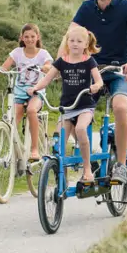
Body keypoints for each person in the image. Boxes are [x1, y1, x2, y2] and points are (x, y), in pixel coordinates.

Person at [62, 0, 127, 185]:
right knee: (71, 112)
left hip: (120, 70)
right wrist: (60, 63)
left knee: (120, 107)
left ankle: (120, 165)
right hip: (91, 71)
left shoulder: (126, 6)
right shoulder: (86, 8)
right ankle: (89, 157)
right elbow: (69, 36)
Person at [28, 26, 104, 183]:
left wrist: (96, 86)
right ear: (67, 43)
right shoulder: (61, 61)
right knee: (58, 141)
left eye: (79, 41)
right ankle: (61, 177)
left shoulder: (89, 61)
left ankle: (88, 169)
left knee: (81, 129)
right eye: (72, 41)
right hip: (67, 107)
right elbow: (47, 79)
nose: (75, 44)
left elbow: (99, 81)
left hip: (84, 106)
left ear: (85, 44)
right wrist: (35, 88)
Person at [0, 23, 53, 161]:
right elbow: (4, 68)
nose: (29, 39)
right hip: (19, 91)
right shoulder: (17, 52)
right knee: (13, 117)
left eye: (32, 36)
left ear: (37, 37)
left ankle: (34, 149)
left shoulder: (43, 54)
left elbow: (48, 65)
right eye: (26, 37)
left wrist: (45, 67)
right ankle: (10, 149)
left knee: (32, 111)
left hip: (36, 91)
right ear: (21, 38)